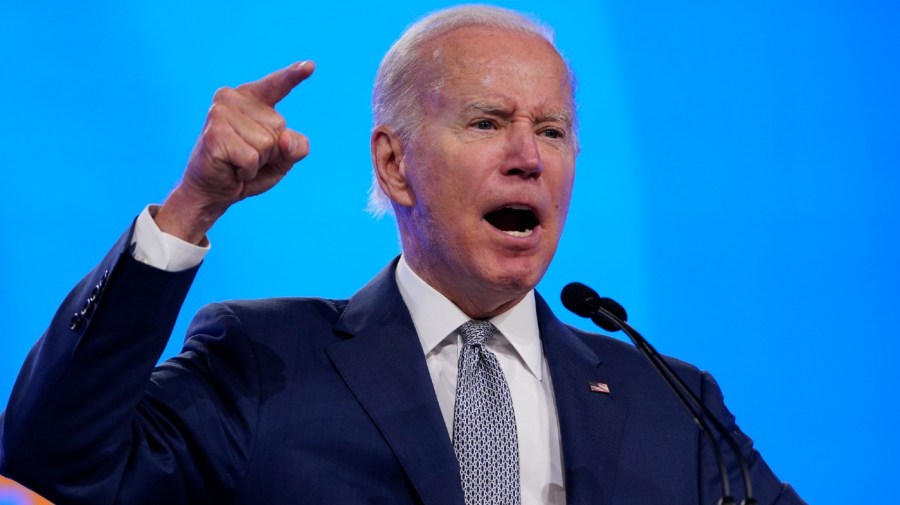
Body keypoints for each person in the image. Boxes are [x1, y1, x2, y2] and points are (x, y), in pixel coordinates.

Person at [0, 5, 805, 505]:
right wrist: (192, 206)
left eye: (553, 130)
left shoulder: (670, 400)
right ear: (394, 164)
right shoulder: (261, 363)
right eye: (488, 122)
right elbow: (55, 460)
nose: (528, 155)